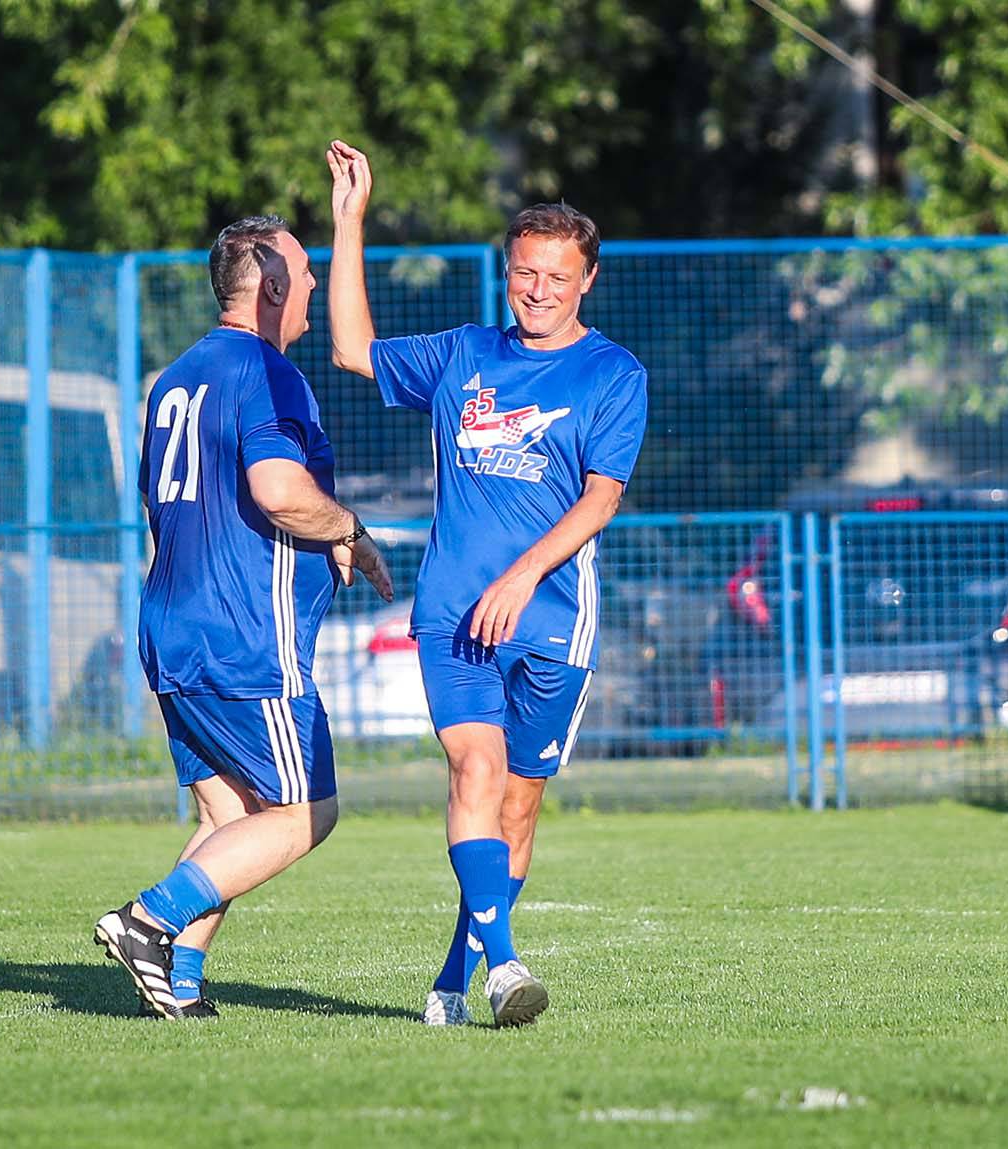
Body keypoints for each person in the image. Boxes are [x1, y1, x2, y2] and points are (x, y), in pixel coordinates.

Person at [326, 139, 648, 1027]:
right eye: (523, 272)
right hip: (454, 616)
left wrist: (522, 572)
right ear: (507, 273)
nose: (536, 288)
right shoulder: (462, 353)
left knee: (519, 804)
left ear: (587, 281)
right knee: (475, 765)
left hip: (552, 622)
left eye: (555, 275)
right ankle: (506, 966)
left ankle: (452, 977)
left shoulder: (614, 373)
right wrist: (351, 219)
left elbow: (601, 499)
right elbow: (352, 348)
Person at [93, 215, 395, 1018]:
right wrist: (350, 532)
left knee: (229, 814)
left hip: (173, 623)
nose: (313, 289)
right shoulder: (268, 371)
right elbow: (277, 490)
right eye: (304, 274)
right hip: (245, 639)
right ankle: (148, 919)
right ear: (270, 287)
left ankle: (177, 983)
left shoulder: (176, 378)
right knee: (304, 812)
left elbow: (176, 505)